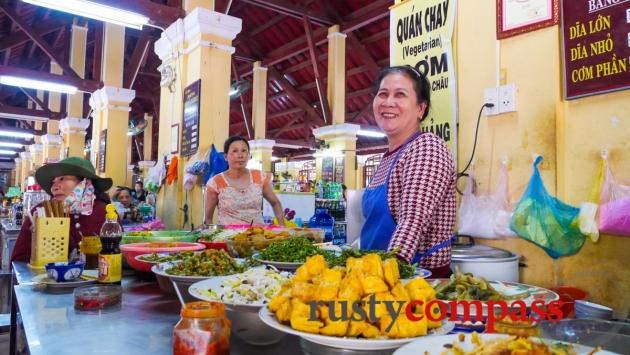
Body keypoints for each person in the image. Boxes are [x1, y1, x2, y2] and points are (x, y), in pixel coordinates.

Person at [360, 65, 457, 278]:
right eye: (383, 94)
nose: (388, 102)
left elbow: (412, 221)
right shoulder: (389, 156)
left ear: (420, 109)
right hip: (376, 274)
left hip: (415, 282)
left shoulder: (427, 147)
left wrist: (386, 275)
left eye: (400, 95)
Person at [11, 157, 114, 262]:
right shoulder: (42, 211)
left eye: (62, 179)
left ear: (85, 182)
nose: (54, 188)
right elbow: (19, 260)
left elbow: (115, 255)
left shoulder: (104, 212)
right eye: (53, 182)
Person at [205, 136, 285, 226]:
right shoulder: (215, 182)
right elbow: (208, 218)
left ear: (248, 155)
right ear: (226, 157)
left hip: (257, 236)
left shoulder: (260, 177)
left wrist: (282, 226)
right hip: (227, 237)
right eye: (235, 151)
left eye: (244, 151)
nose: (240, 155)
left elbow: (275, 203)